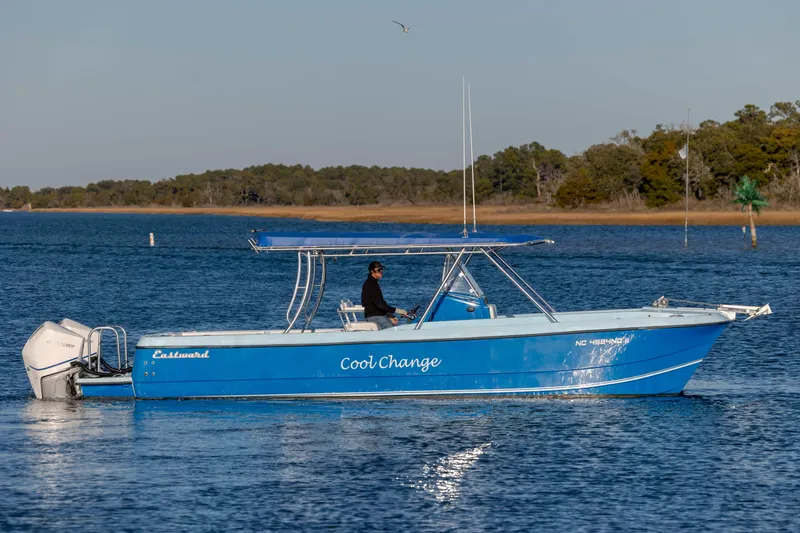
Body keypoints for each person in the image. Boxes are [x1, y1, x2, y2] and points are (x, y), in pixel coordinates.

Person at [361, 261, 407, 330]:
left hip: (379, 316)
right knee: (394, 333)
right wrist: (398, 311)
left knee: (395, 329)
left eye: (381, 269)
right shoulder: (370, 285)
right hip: (375, 317)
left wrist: (389, 315)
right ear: (372, 271)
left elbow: (380, 304)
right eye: (379, 270)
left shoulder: (373, 283)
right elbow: (380, 305)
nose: (381, 271)